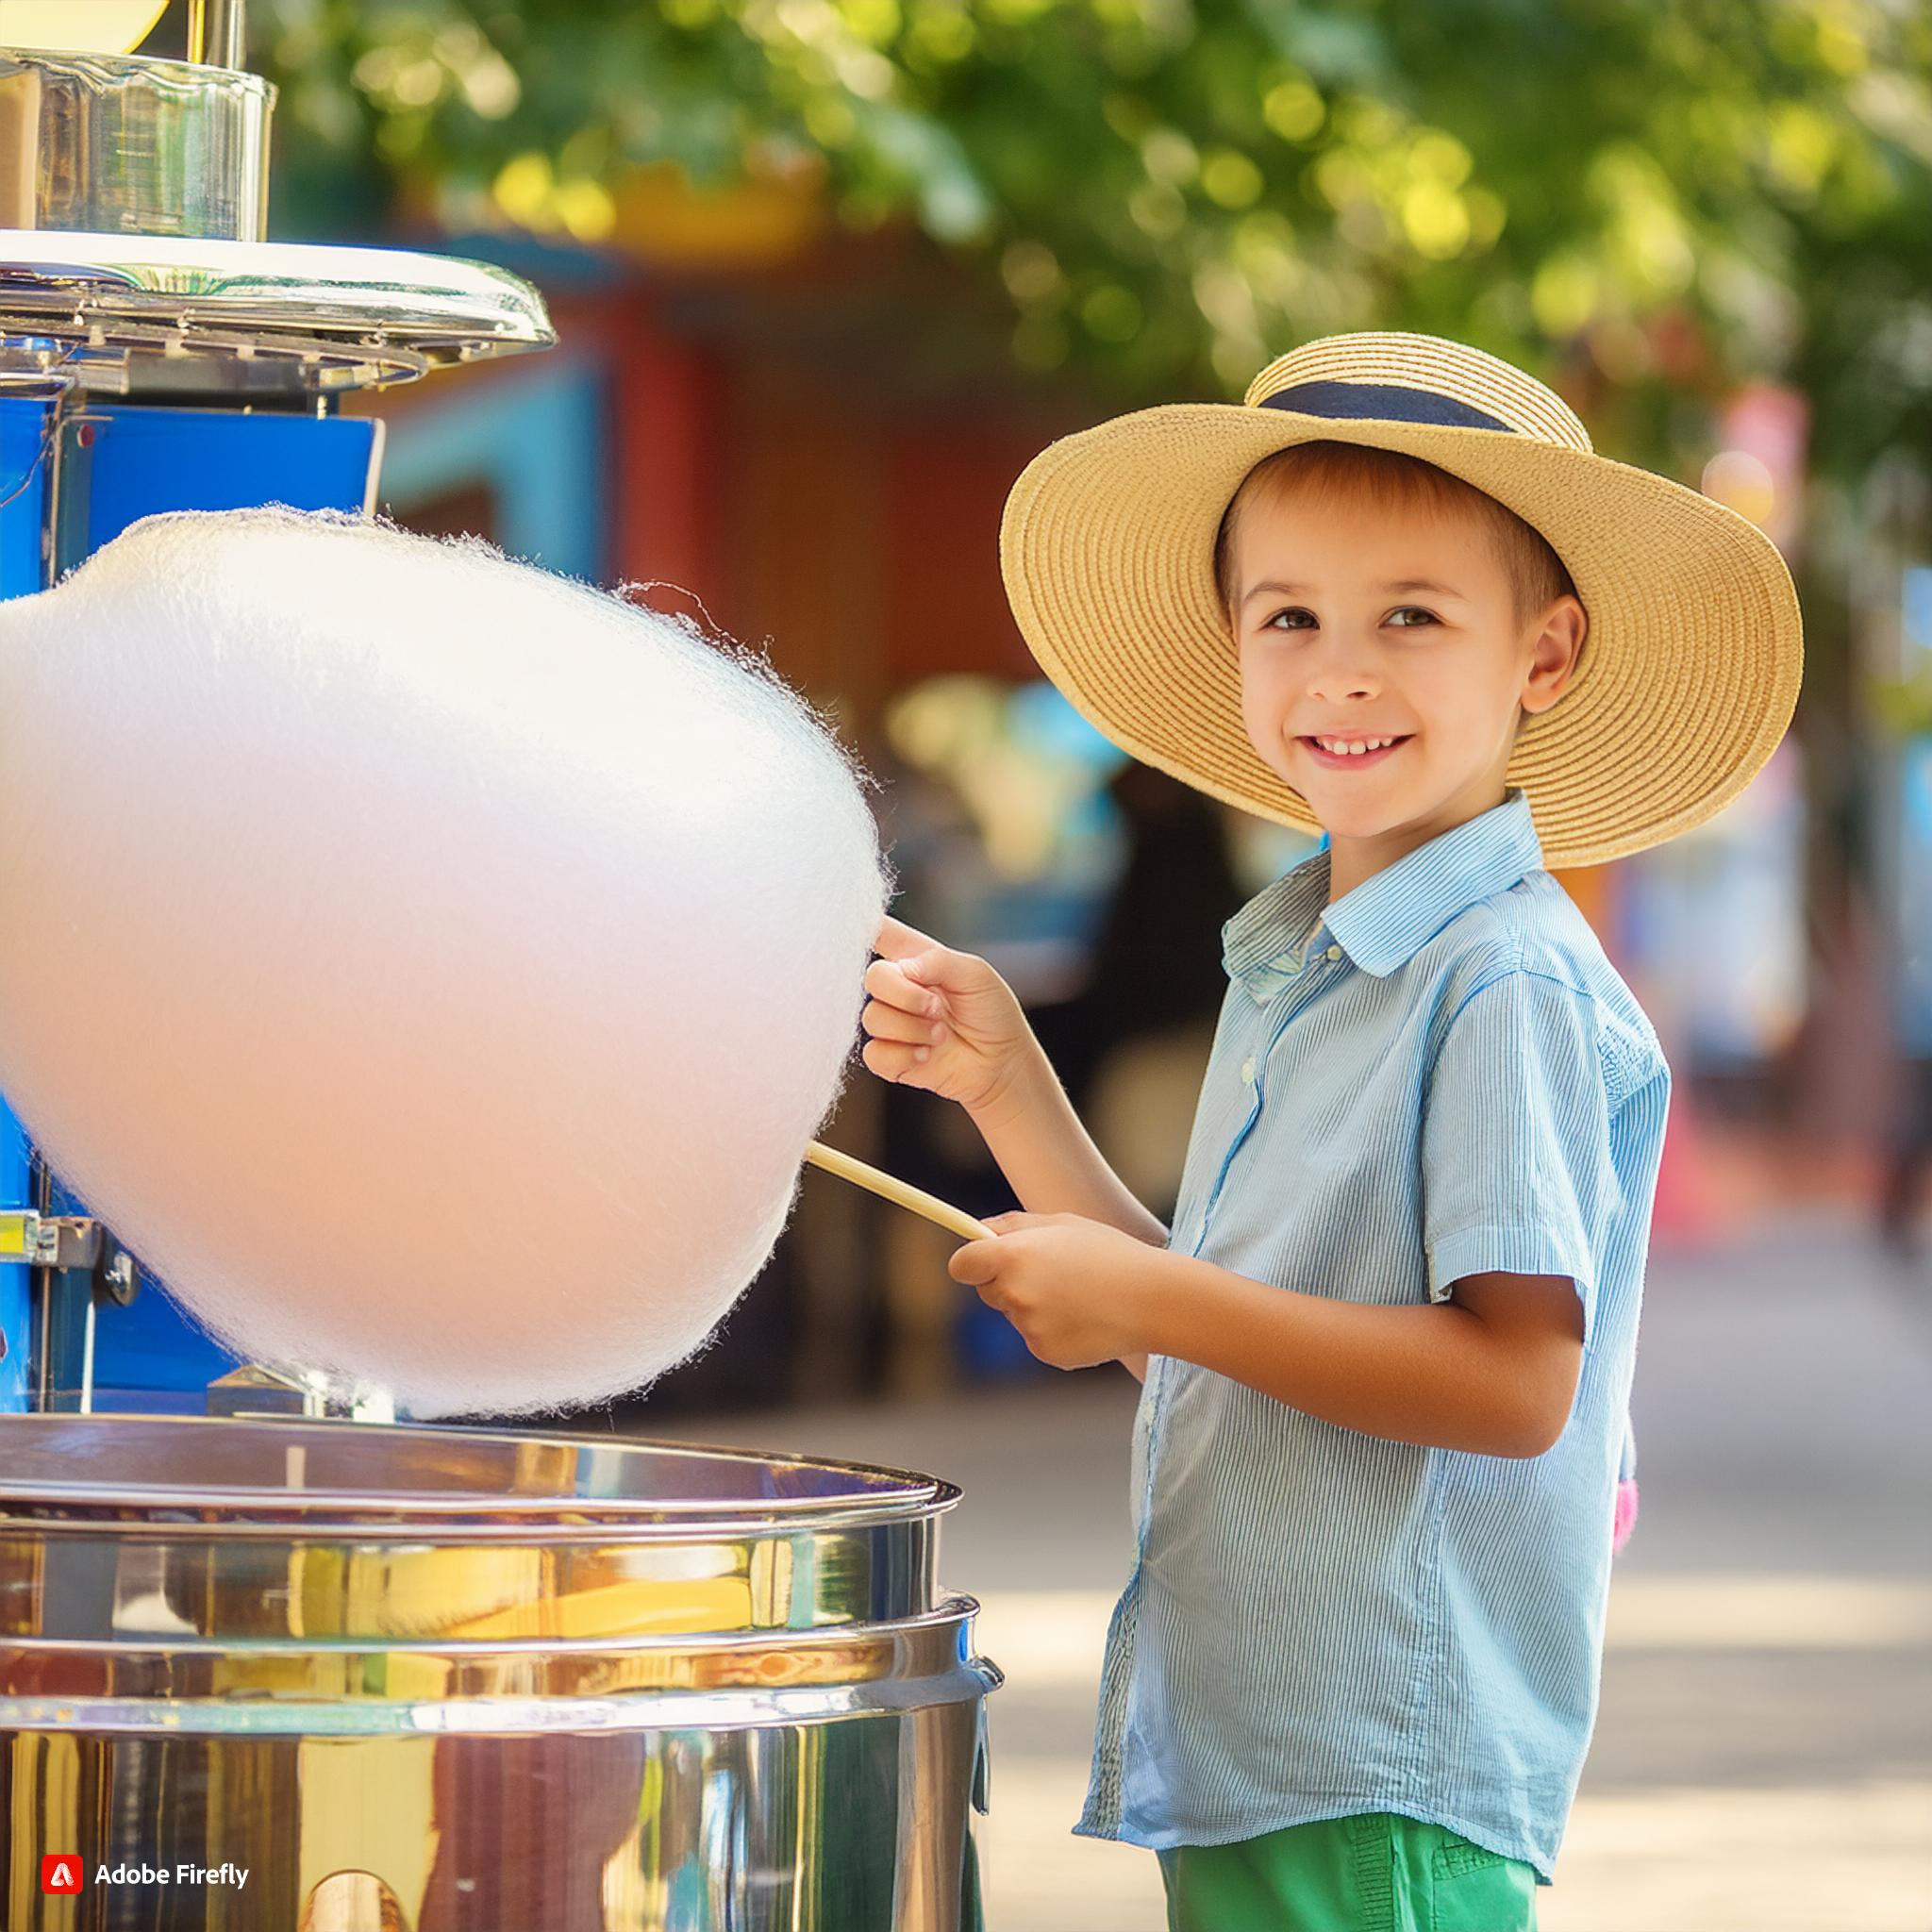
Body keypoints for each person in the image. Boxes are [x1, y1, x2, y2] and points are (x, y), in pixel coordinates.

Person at [858, 331, 1803, 1930]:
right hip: (1262, 1741)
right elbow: (1223, 1335)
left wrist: (1149, 1300)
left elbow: (1515, 1387)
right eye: (1288, 616)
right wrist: (1007, 1079)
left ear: (1544, 654)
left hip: (1385, 1772)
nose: (1340, 671)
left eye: (1411, 618)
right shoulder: (1302, 957)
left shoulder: (1501, 980)